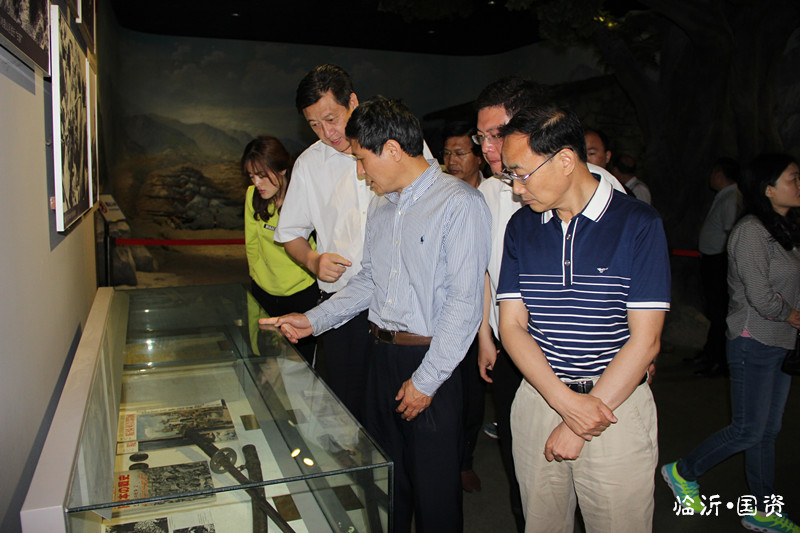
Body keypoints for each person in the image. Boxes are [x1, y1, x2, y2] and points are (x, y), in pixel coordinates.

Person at [262, 96, 491, 533]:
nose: (360, 173)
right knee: (386, 487)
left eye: (362, 160)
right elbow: (369, 281)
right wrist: (312, 320)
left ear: (392, 149)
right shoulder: (384, 206)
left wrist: (425, 382)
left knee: (435, 496)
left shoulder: (458, 203)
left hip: (431, 362)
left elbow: (464, 304)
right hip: (381, 357)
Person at [497, 104, 670, 533]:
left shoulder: (638, 223)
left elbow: (645, 340)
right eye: (510, 176)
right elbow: (512, 326)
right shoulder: (521, 227)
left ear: (565, 160)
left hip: (616, 405)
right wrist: (564, 403)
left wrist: (578, 425)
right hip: (539, 399)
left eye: (522, 173)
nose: (517, 189)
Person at [473, 76, 629, 531]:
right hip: (516, 349)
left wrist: (640, 350)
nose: (488, 147)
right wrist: (485, 336)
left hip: (593, 357)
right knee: (529, 476)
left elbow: (622, 280)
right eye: (481, 137)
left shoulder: (599, 187)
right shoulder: (487, 193)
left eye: (496, 134)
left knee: (603, 485)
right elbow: (486, 272)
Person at [275, 65, 431, 423]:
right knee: (346, 409)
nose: (327, 133)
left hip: (403, 306)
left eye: (331, 119)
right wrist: (313, 261)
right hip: (343, 306)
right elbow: (290, 234)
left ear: (353, 102)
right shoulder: (310, 164)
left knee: (401, 405)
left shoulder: (398, 144)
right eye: (314, 125)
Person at [662, 153, 800, 533]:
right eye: (793, 178)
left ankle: (762, 508)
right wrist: (792, 314)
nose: (799, 184)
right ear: (768, 189)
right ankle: (683, 471)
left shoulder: (785, 230)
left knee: (766, 431)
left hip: (780, 341)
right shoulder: (751, 231)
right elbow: (760, 295)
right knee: (748, 429)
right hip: (753, 340)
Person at [241, 136, 319, 363]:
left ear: (282, 169)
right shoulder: (252, 196)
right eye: (252, 176)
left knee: (299, 365)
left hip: (301, 292)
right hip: (263, 291)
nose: (257, 183)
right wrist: (257, 275)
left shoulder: (303, 199)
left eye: (262, 175)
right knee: (266, 361)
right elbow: (252, 243)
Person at [442, 120, 487, 492]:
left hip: (483, 311)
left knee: (472, 390)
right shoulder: (439, 195)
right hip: (444, 308)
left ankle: (463, 461)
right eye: (447, 154)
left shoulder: (495, 195)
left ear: (479, 157)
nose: (451, 161)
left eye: (460, 153)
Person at [694, 157, 742, 377]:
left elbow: (731, 232)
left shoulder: (732, 197)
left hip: (720, 261)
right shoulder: (725, 196)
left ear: (720, 174)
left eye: (713, 173)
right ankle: (710, 352)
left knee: (719, 310)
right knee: (713, 308)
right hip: (712, 259)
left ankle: (719, 359)